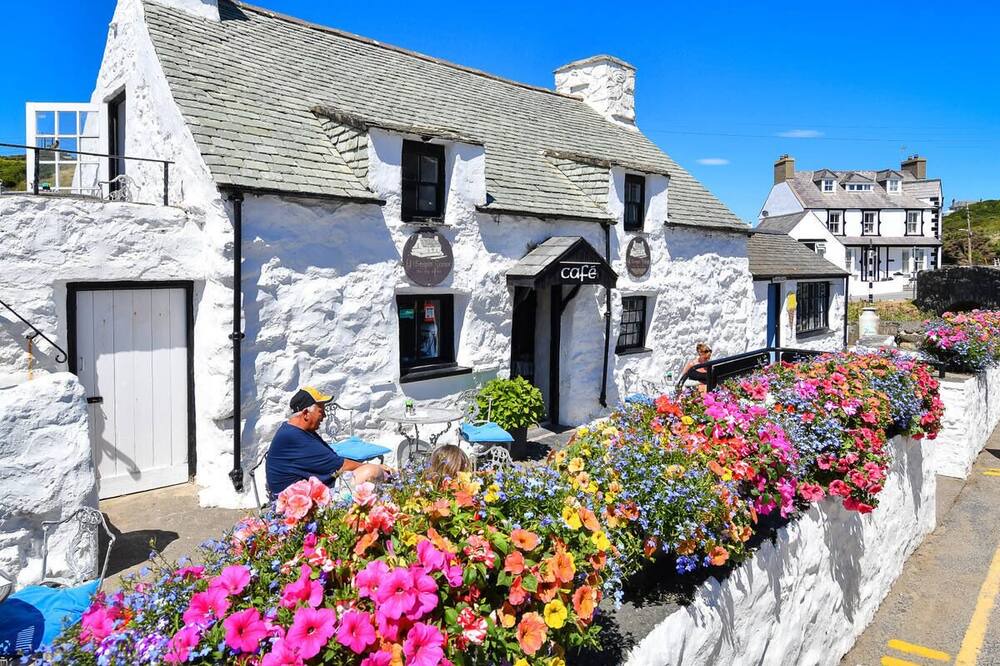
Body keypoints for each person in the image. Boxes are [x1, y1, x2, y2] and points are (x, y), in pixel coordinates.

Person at [265, 386, 388, 498]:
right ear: (306, 414)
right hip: (293, 502)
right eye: (321, 411)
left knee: (367, 473)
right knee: (371, 472)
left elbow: (332, 461)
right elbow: (341, 466)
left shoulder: (296, 430)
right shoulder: (293, 436)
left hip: (303, 492)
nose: (324, 416)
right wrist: (377, 468)